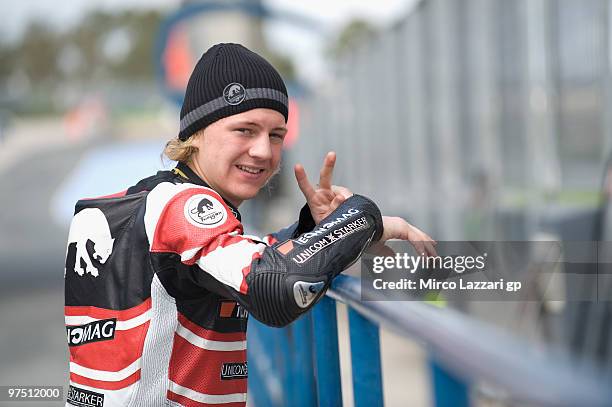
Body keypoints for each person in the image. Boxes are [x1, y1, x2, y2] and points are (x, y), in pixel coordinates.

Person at [63, 43, 436, 407]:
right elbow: (278, 288)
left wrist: (315, 227)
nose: (263, 151)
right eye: (245, 130)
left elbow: (237, 258)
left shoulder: (144, 204)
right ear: (196, 133)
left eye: (276, 135)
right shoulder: (184, 205)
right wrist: (362, 219)